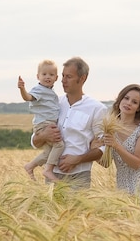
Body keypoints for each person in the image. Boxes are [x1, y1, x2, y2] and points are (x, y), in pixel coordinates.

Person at [31, 56, 108, 187]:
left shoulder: (97, 108)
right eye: (62, 76)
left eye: (69, 77)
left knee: (79, 209)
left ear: (82, 78)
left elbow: (102, 147)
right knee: (51, 208)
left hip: (79, 177)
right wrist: (43, 135)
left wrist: (78, 159)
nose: (63, 81)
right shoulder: (54, 102)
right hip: (52, 175)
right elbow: (34, 141)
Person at [101, 84, 140, 202]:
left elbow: (137, 163)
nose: (128, 103)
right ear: (119, 100)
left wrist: (116, 145)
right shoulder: (109, 127)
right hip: (123, 183)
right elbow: (106, 163)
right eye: (126, 98)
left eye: (134, 102)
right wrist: (93, 146)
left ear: (139, 108)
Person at [18, 59, 64, 182]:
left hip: (47, 123)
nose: (47, 77)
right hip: (44, 124)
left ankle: (30, 166)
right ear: (38, 76)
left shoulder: (50, 91)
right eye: (44, 74)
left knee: (48, 152)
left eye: (51, 74)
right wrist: (22, 89)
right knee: (59, 145)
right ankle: (48, 170)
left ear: (56, 77)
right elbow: (28, 97)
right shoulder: (39, 90)